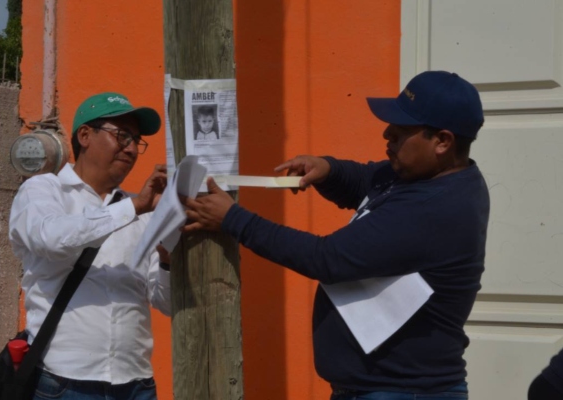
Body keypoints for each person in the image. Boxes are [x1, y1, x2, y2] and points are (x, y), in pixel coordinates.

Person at [182, 71, 489, 399]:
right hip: (379, 389)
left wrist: (234, 220)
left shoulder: (438, 207)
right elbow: (369, 180)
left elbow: (327, 259)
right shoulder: (422, 176)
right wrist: (328, 170)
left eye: (401, 132)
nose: (387, 134)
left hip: (406, 392)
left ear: (442, 141)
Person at [9, 92, 171, 400]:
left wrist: (167, 258)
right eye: (122, 135)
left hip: (136, 383)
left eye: (137, 140)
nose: (133, 148)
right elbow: (52, 239)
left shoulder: (140, 210)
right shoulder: (43, 190)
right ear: (85, 135)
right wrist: (134, 207)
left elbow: (166, 302)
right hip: (64, 383)